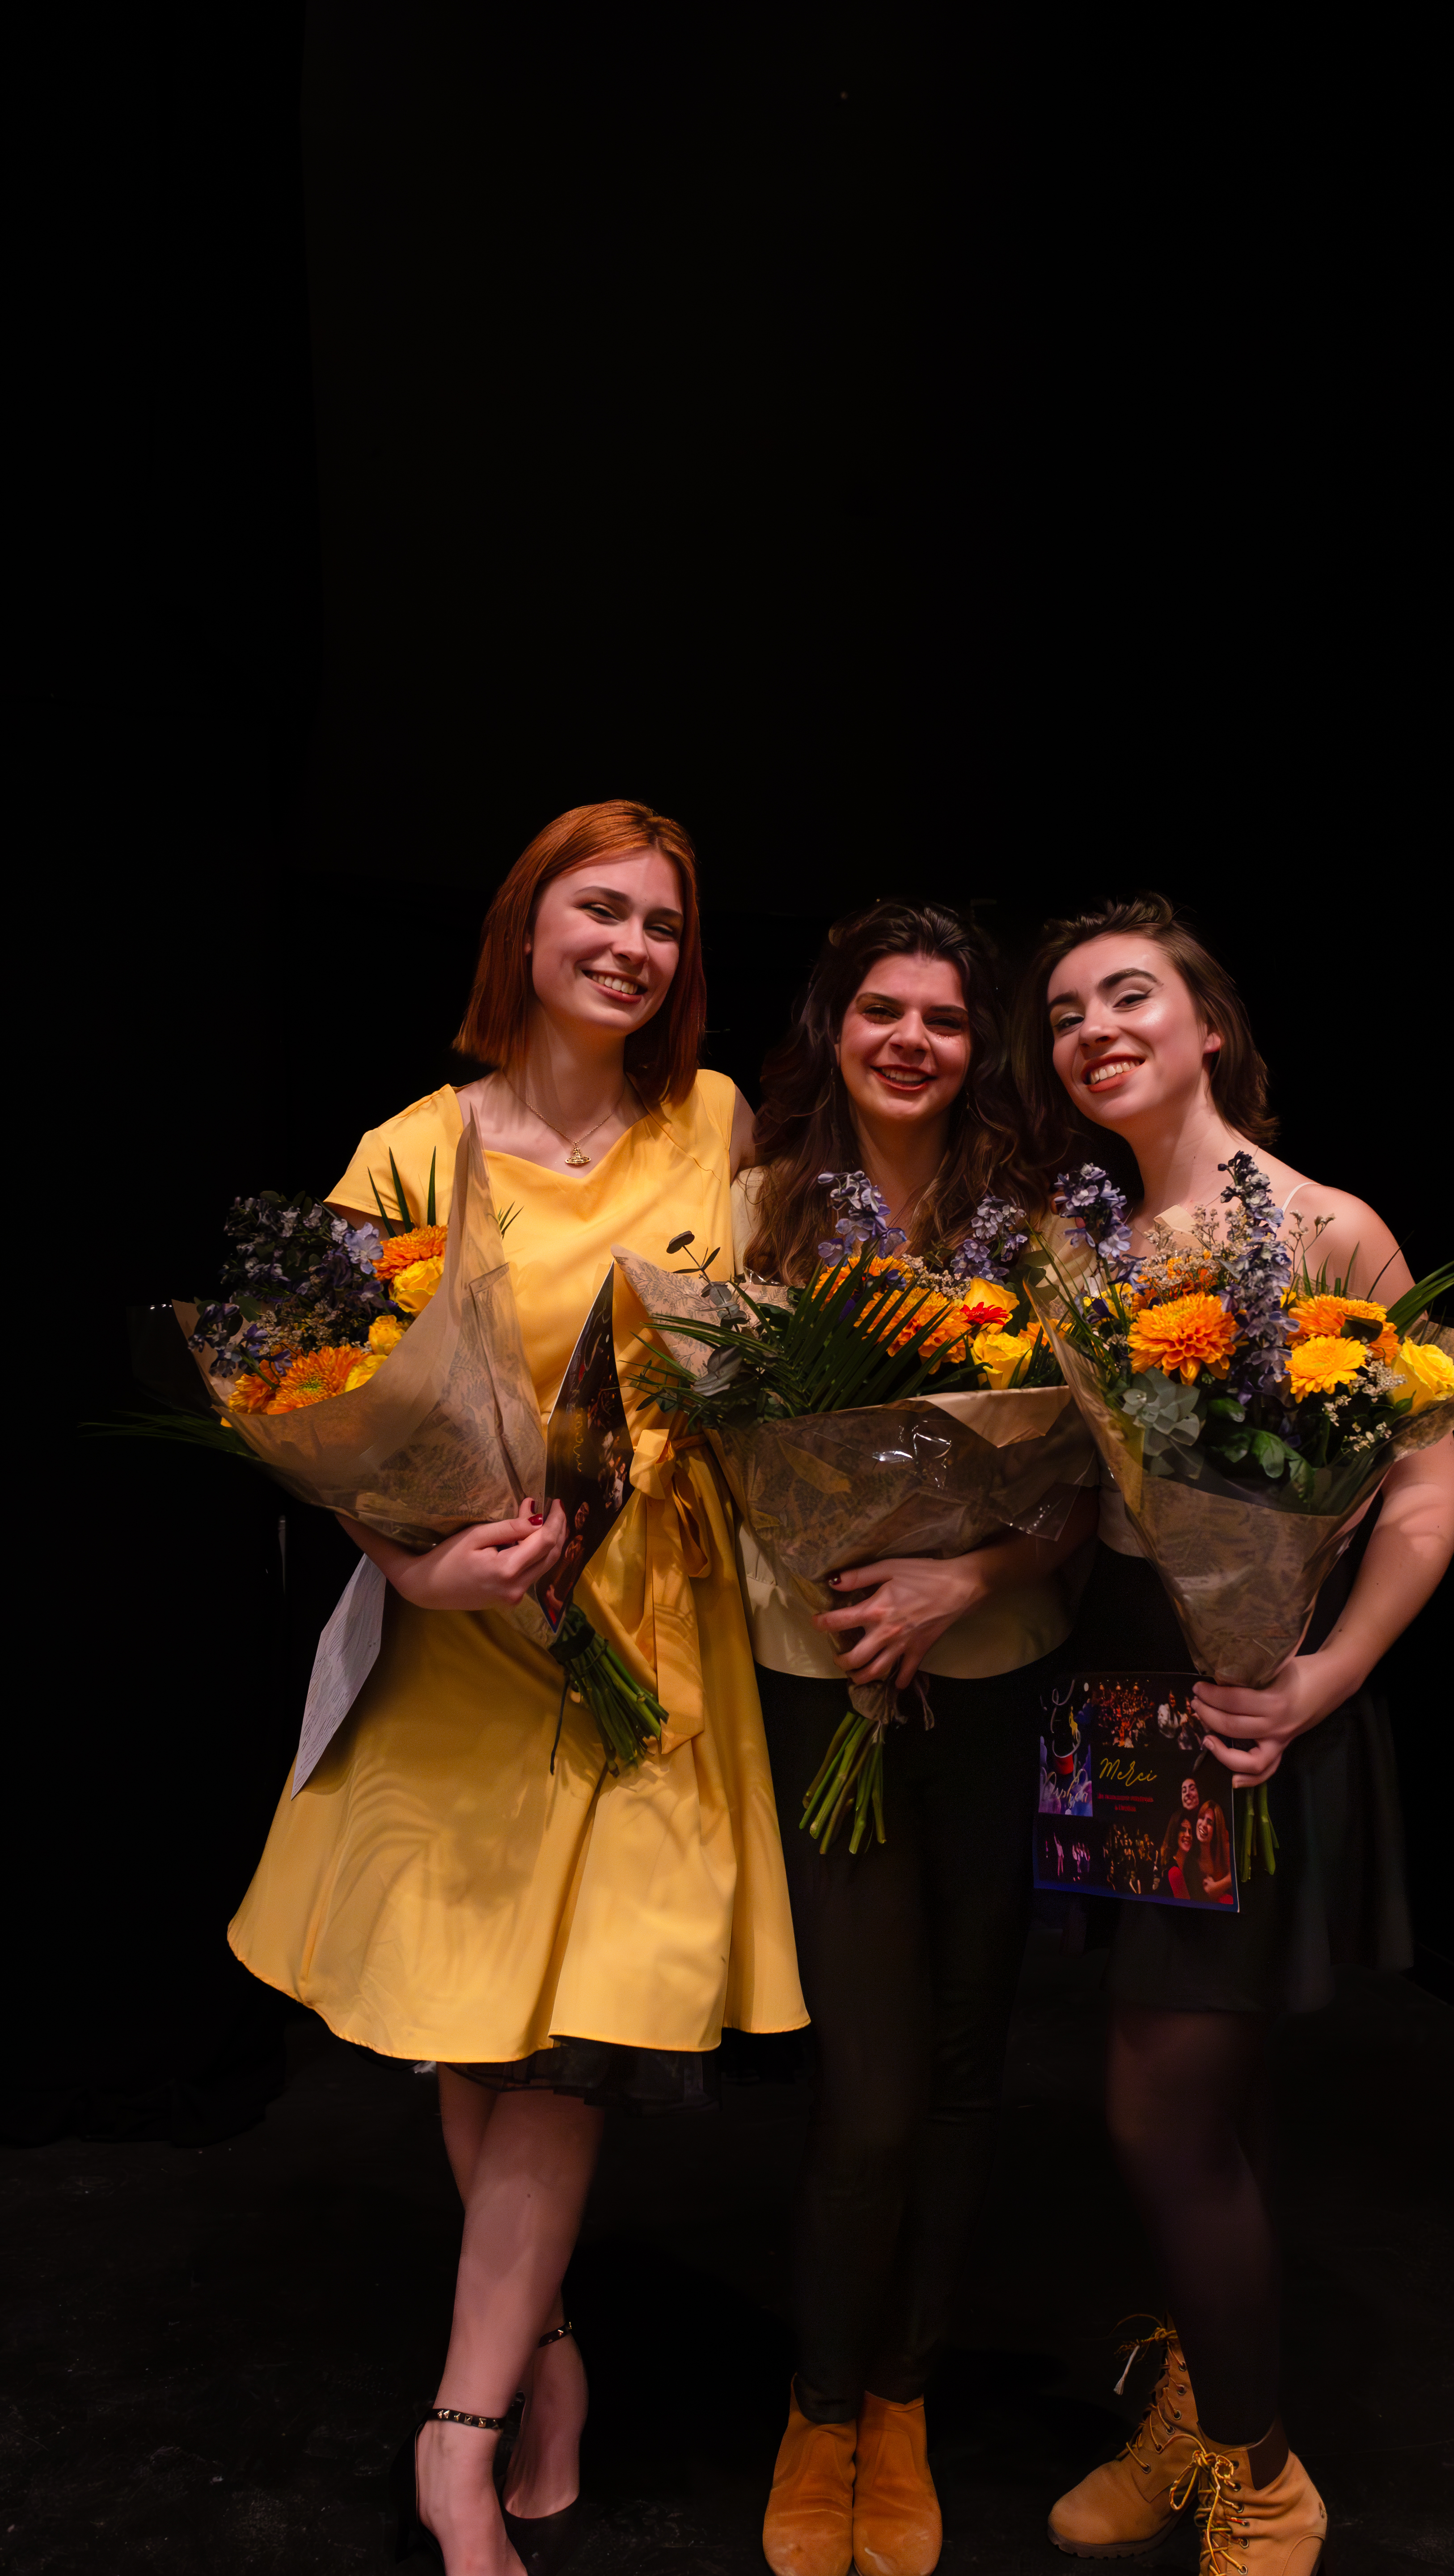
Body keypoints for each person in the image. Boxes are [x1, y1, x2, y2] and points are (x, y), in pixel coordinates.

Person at [228, 800, 806, 2576]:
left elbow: (777, 1339)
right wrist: (410, 1560)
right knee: (485, 2023)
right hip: (470, 1645)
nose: (633, 948)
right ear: (526, 931)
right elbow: (290, 1391)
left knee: (570, 2048)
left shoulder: (716, 1123)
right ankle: (539, 2357)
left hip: (652, 1641)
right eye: (601, 912)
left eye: (663, 927)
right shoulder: (409, 1149)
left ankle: (456, 2436)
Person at [1014, 894, 1454, 2575]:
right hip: (1114, 1688)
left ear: (1210, 1023)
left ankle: (1264, 2471)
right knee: (1212, 2096)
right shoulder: (1083, 1256)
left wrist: (1325, 1675)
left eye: (1127, 995)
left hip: (1260, 1693)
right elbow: (1070, 1509)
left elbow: (1423, 1481)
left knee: (1163, 2107)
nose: (1092, 1029)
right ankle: (1203, 2409)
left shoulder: (1332, 1224)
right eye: (1062, 1014)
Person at [736, 901, 1098, 2576]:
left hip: (997, 1668)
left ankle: (904, 2397)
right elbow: (710, 1431)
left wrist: (968, 1568)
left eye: (943, 1019)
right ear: (834, 1026)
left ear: (978, 1046)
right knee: (870, 2087)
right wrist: (841, 1586)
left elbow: (1093, 1470)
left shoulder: (1036, 1224)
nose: (909, 1040)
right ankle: (817, 2404)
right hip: (820, 1675)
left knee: (966, 2061)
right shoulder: (750, 1207)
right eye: (880, 1010)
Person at [1192, 1801, 1234, 1905]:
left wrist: (1217, 1887)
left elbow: (1236, 1874)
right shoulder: (1191, 1858)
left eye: (1210, 1823)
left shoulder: (1225, 1848)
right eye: (1202, 1818)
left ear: (1216, 1830)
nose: (1204, 1825)